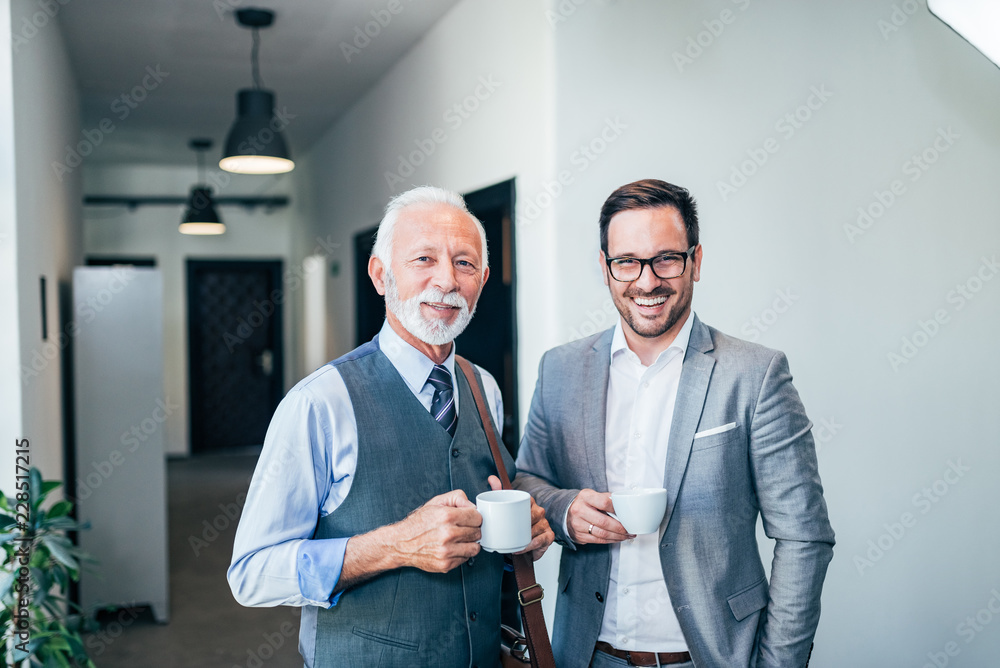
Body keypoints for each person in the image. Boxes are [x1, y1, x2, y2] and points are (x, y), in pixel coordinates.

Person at [513, 179, 834, 668]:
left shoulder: (755, 374)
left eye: (667, 258)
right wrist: (564, 511)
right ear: (605, 268)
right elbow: (527, 481)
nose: (646, 281)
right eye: (627, 262)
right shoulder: (559, 369)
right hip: (587, 656)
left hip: (710, 657)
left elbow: (803, 535)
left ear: (696, 261)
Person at [229, 185, 554, 668]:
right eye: (423, 259)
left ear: (483, 280)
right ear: (381, 276)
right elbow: (251, 574)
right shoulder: (320, 403)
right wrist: (394, 545)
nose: (446, 280)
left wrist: (525, 531)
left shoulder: (483, 386)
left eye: (464, 264)